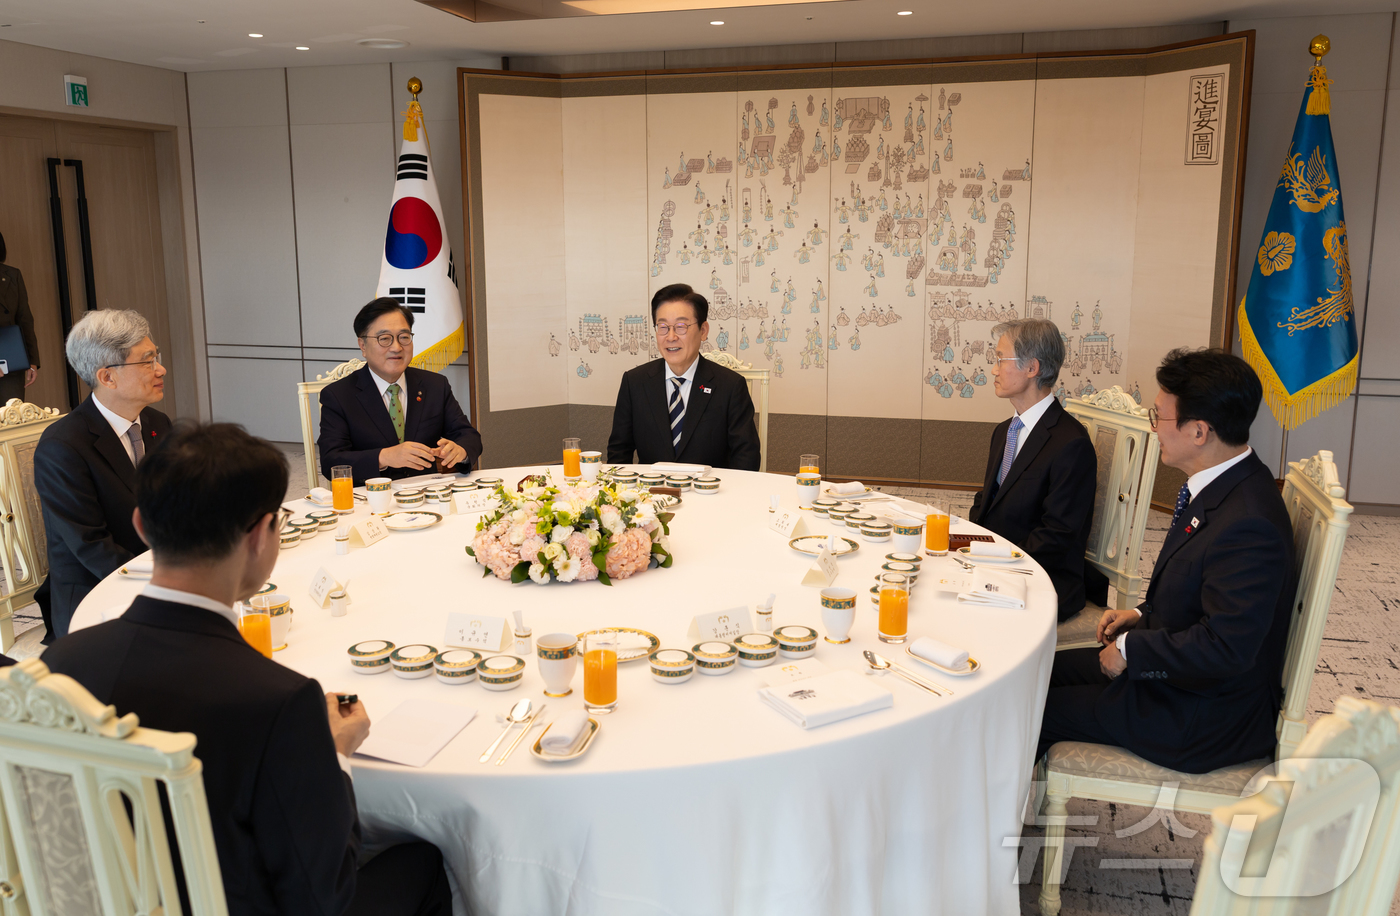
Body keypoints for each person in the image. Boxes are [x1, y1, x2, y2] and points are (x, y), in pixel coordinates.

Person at [42, 422, 453, 916]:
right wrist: (336, 757)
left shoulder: (59, 665)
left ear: (142, 528)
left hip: (99, 899)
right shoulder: (279, 700)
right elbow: (324, 894)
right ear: (261, 536)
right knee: (425, 859)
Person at [1037, 349, 1295, 773]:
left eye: (1159, 417)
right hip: (1178, 678)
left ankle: (997, 813)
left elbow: (1226, 648)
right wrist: (1141, 614)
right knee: (1034, 673)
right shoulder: (1225, 484)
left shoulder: (1249, 524)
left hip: (1200, 714)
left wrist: (1131, 650)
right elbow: (1199, 586)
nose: (1153, 428)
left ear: (1199, 431)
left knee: (1030, 709)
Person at [34, 309, 171, 639]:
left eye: (156, 357)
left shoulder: (158, 424)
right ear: (107, 377)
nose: (161, 369)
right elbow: (92, 546)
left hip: (161, 575)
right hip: (96, 593)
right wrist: (169, 582)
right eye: (147, 361)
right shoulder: (62, 446)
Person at [969, 319, 1096, 622]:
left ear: (1031, 368)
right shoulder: (1005, 431)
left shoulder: (1071, 443)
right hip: (996, 565)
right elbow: (987, 501)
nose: (994, 370)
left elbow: (1057, 536)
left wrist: (998, 564)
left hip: (1040, 579)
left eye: (1001, 359)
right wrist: (969, 547)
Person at [318, 298, 481, 484]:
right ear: (363, 345)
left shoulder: (435, 385)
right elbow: (331, 461)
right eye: (384, 339)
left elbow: (469, 436)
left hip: (427, 491)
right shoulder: (338, 395)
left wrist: (461, 451)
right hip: (372, 495)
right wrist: (384, 457)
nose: (396, 347)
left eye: (404, 337)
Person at [607, 284, 760, 470]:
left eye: (681, 326)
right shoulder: (634, 383)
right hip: (651, 487)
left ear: (703, 331)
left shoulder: (730, 386)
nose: (671, 337)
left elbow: (746, 457)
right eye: (663, 327)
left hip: (711, 487)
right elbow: (619, 452)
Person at [0, 231, 40, 403]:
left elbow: (25, 320)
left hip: (10, 360)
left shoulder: (12, 275)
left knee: (13, 414)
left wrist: (31, 360)